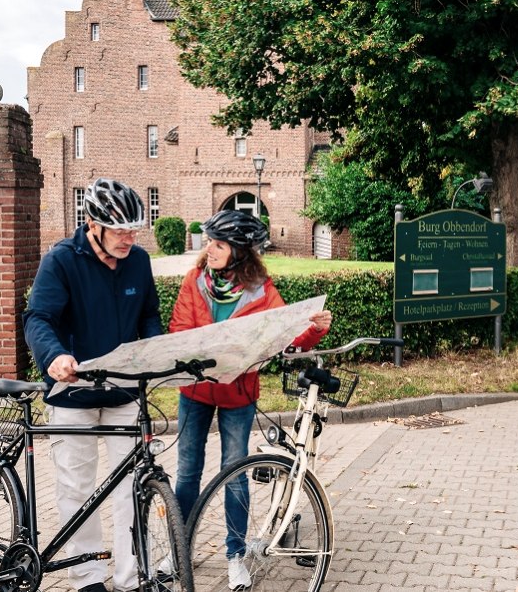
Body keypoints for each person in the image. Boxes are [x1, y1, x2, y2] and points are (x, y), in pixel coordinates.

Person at [170, 209, 332, 590]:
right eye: (210, 241)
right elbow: (178, 329)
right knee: (187, 472)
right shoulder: (194, 281)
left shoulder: (262, 291)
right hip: (195, 390)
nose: (209, 248)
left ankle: (235, 555)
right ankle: (179, 550)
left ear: (241, 252)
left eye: (219, 243)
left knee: (235, 473)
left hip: (238, 395)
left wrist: (313, 331)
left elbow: (286, 335)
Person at [23, 178, 162, 592]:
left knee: (131, 488)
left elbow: (149, 315)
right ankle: (87, 579)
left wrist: (154, 351)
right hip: (74, 392)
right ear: (92, 224)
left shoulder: (138, 261)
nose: (129, 238)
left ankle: (129, 578)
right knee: (78, 488)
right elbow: (38, 318)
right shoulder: (61, 261)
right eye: (120, 230)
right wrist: (55, 357)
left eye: (134, 230)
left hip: (123, 392)